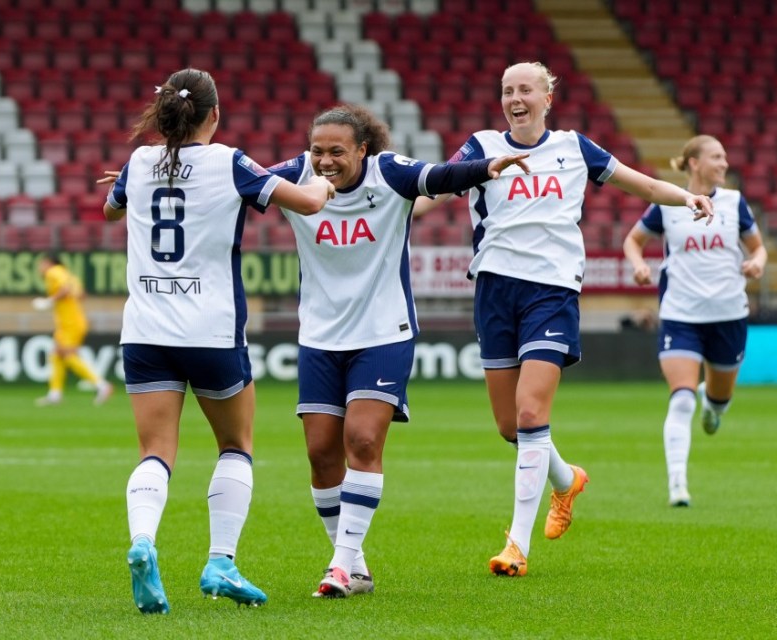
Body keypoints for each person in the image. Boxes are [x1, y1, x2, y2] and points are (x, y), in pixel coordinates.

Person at [413, 61, 715, 577]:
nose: (515, 98)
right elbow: (433, 192)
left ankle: (517, 546)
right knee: (511, 426)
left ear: (547, 97)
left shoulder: (575, 148)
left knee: (532, 415)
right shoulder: (482, 146)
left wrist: (685, 196)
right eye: (507, 90)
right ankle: (566, 479)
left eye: (525, 89)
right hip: (493, 290)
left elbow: (639, 186)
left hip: (551, 292)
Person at [265, 104, 531, 598]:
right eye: (318, 150)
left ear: (363, 149)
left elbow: (441, 175)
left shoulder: (389, 173)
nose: (324, 161)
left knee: (363, 441)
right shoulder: (294, 176)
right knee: (321, 454)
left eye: (337, 151)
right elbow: (234, 185)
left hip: (383, 332)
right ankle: (356, 564)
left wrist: (486, 167)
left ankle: (340, 566)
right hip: (319, 337)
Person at [99, 68, 335, 614]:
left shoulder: (138, 163)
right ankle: (220, 561)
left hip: (146, 329)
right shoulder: (231, 161)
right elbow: (307, 202)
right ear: (214, 115)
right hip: (210, 330)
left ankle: (142, 542)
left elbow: (111, 209)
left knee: (155, 451)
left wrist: (134, 188)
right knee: (236, 445)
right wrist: (322, 181)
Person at [622, 134, 766, 507]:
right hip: (680, 315)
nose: (724, 163)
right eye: (717, 157)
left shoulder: (735, 203)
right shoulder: (670, 204)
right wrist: (639, 265)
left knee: (718, 400)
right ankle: (677, 484)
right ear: (694, 163)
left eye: (724, 157)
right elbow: (633, 241)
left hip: (729, 314)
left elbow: (758, 247)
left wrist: (757, 263)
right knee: (681, 398)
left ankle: (713, 406)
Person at [31, 253, 113, 406]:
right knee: (56, 355)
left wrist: (49, 301)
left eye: (41, 264)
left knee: (68, 355)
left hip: (70, 323)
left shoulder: (53, 272)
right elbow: (82, 295)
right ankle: (55, 394)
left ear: (48, 262)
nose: (40, 268)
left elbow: (65, 290)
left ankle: (102, 385)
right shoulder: (70, 275)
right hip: (73, 321)